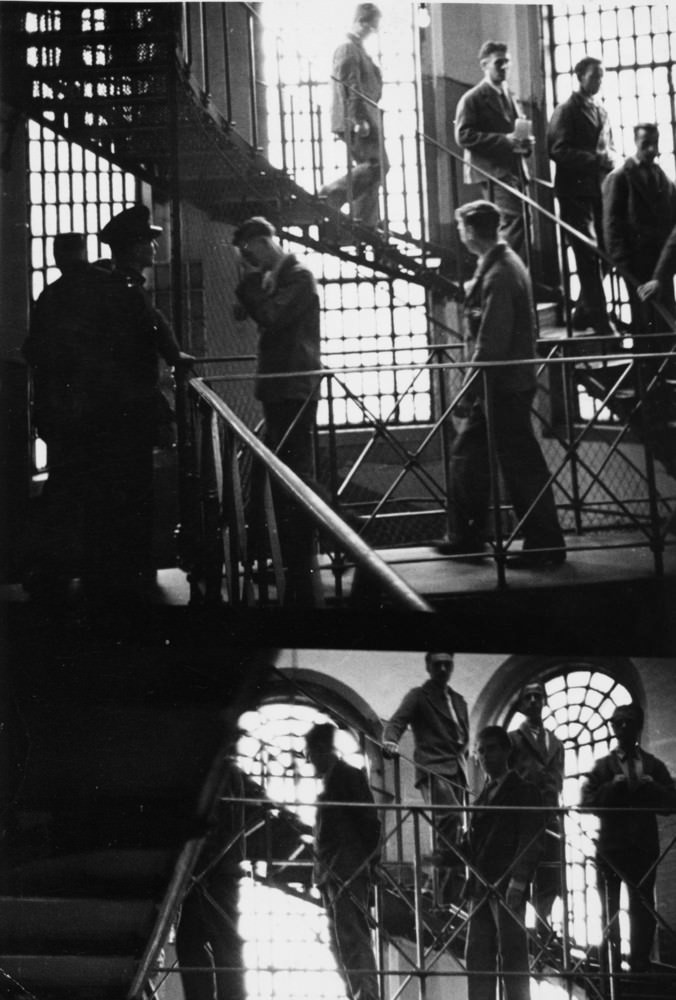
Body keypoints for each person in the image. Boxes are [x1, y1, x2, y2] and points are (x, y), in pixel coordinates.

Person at [22, 206, 191, 602]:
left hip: (77, 413)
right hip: (115, 413)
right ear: (131, 248)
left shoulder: (71, 291)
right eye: (147, 241)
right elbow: (145, 335)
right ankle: (122, 572)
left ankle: (63, 571)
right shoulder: (118, 289)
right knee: (121, 491)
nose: (154, 246)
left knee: (76, 490)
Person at [437, 200, 566, 568]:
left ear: (472, 231)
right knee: (472, 456)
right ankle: (468, 538)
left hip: (501, 385)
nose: (460, 235)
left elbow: (491, 341)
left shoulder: (499, 273)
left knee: (518, 465)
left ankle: (542, 545)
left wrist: (468, 388)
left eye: (462, 229)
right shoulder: (499, 266)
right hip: (502, 383)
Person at [232, 216, 324, 606]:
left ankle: (323, 547)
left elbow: (271, 317)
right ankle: (291, 558)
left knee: (292, 474)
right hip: (282, 387)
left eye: (250, 253)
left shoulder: (299, 277)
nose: (249, 261)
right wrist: (255, 288)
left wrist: (250, 288)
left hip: (292, 387)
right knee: (282, 475)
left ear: (263, 241)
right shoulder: (278, 276)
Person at [580, 702, 676, 973]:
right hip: (611, 848)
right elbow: (585, 803)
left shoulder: (653, 765)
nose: (623, 728)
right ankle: (610, 965)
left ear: (638, 726)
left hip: (643, 848)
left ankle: (640, 963)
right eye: (617, 723)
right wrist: (612, 787)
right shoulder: (602, 766)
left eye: (629, 722)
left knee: (643, 906)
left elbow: (671, 802)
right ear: (612, 728)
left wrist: (652, 786)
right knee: (608, 908)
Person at [463, 726, 543, 1000]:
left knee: (513, 957)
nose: (485, 756)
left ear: (507, 751)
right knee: (477, 957)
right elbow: (472, 847)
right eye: (481, 751)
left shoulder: (524, 791)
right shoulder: (482, 797)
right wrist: (445, 856)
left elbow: (530, 839)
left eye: (491, 749)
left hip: (507, 886)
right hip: (481, 888)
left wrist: (519, 881)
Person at [305, 723, 381, 1000]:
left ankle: (367, 995)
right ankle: (356, 993)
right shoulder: (332, 781)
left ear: (322, 750)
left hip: (348, 870)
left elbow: (370, 822)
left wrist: (370, 863)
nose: (307, 761)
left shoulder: (348, 776)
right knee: (339, 941)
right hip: (331, 873)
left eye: (309, 754)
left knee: (353, 936)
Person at [547, 56, 615, 335]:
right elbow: (557, 150)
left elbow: (606, 146)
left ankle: (582, 312)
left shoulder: (600, 109)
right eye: (594, 76)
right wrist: (594, 160)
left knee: (609, 251)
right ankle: (600, 320)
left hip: (599, 191)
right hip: (574, 193)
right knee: (587, 254)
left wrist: (608, 162)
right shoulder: (566, 111)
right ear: (579, 76)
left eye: (601, 76)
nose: (599, 81)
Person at [382, 652, 469, 865]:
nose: (442, 669)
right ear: (428, 667)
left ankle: (438, 884)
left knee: (456, 829)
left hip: (457, 768)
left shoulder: (459, 700)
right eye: (437, 664)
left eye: (447, 665)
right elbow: (396, 722)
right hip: (433, 766)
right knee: (450, 816)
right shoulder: (419, 696)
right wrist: (390, 741)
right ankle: (435, 866)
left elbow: (463, 737)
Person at [454, 40, 533, 258]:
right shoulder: (472, 98)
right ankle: (501, 269)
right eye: (499, 63)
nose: (505, 67)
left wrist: (524, 144)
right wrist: (505, 141)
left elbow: (515, 131)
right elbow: (463, 135)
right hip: (492, 172)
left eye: (507, 62)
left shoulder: (511, 96)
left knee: (520, 221)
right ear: (484, 65)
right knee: (515, 220)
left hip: (514, 169)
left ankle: (506, 271)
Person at [603, 123, 676, 338]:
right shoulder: (620, 177)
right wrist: (623, 264)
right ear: (636, 143)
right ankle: (645, 370)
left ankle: (666, 369)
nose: (651, 150)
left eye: (654, 144)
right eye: (646, 144)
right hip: (636, 265)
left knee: (665, 320)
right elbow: (611, 224)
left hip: (660, 264)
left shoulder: (663, 179)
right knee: (643, 323)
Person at [320, 3, 388, 228]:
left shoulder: (356, 49)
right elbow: (350, 86)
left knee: (373, 172)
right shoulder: (348, 48)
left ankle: (366, 222)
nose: (373, 32)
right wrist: (358, 119)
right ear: (361, 22)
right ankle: (333, 193)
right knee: (378, 165)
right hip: (358, 119)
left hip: (365, 117)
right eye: (371, 27)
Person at [508, 682, 565, 935]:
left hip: (550, 816)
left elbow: (559, 778)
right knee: (521, 873)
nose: (533, 701)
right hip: (523, 817)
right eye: (528, 697)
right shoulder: (512, 739)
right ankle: (518, 931)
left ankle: (543, 928)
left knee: (551, 874)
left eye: (538, 696)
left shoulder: (556, 743)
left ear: (545, 701)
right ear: (521, 705)